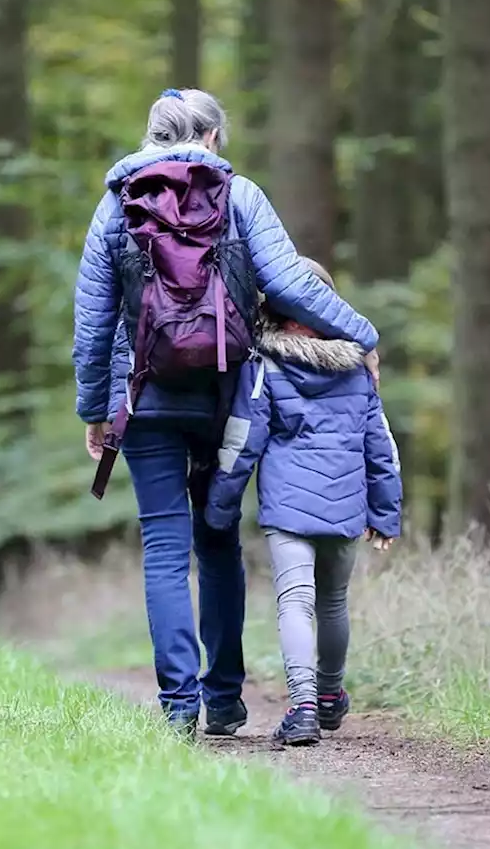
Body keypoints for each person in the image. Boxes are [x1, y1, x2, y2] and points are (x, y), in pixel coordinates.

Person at [72, 88, 379, 738]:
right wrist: (362, 335)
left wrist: (95, 407)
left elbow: (93, 321)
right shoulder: (241, 196)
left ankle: (178, 706)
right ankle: (225, 699)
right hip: (226, 395)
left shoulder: (114, 205)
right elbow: (293, 283)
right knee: (217, 539)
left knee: (162, 545)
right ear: (211, 137)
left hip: (145, 395)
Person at [204, 258, 401, 746]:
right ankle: (331, 696)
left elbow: (242, 440)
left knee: (297, 602)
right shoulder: (358, 368)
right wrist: (386, 512)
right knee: (333, 602)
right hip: (346, 503)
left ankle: (305, 706)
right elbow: (381, 446)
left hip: (289, 508)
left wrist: (220, 506)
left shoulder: (265, 365)